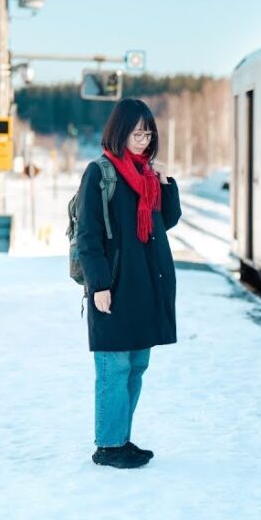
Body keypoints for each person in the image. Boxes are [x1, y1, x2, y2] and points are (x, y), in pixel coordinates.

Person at [76, 98, 182, 468]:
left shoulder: (148, 176)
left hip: (146, 286)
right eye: (137, 132)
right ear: (120, 132)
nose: (143, 139)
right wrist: (99, 285)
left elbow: (165, 222)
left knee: (136, 365)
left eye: (148, 132)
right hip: (115, 286)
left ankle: (121, 438)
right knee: (113, 367)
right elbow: (87, 236)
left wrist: (166, 183)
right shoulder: (99, 173)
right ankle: (108, 446)